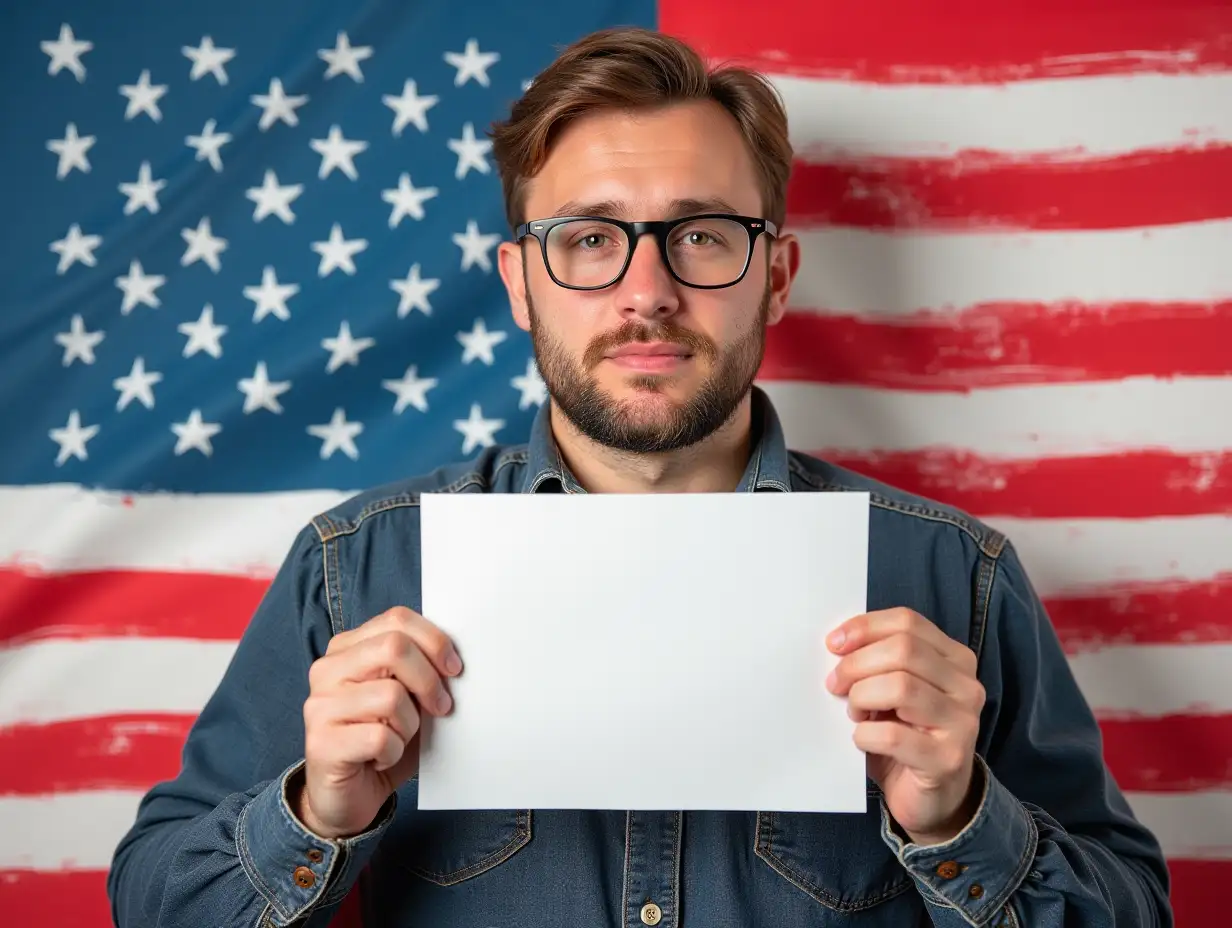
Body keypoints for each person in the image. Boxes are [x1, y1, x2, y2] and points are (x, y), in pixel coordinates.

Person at [107, 25, 1172, 928]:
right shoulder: (357, 566)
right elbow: (153, 896)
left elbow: (1131, 903)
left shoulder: (950, 573)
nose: (646, 291)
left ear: (776, 275)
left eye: (701, 235)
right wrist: (315, 812)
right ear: (521, 284)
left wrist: (955, 817)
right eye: (587, 239)